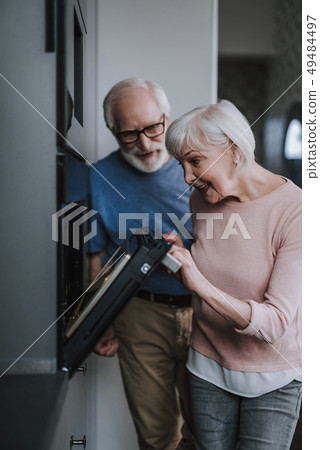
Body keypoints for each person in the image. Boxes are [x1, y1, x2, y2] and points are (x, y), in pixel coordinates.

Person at [164, 100, 302, 450]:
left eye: (194, 161)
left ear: (233, 148)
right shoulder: (203, 199)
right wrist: (184, 256)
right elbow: (220, 260)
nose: (186, 177)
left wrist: (200, 285)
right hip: (206, 365)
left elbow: (274, 325)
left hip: (273, 377)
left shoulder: (297, 211)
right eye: (181, 164)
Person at [88, 78, 195, 450]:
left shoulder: (196, 166)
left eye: (152, 128)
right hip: (139, 313)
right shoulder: (99, 176)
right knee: (156, 437)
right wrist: (103, 319)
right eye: (129, 135)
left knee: (208, 433)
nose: (146, 144)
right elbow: (96, 257)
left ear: (167, 118)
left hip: (205, 313)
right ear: (112, 131)